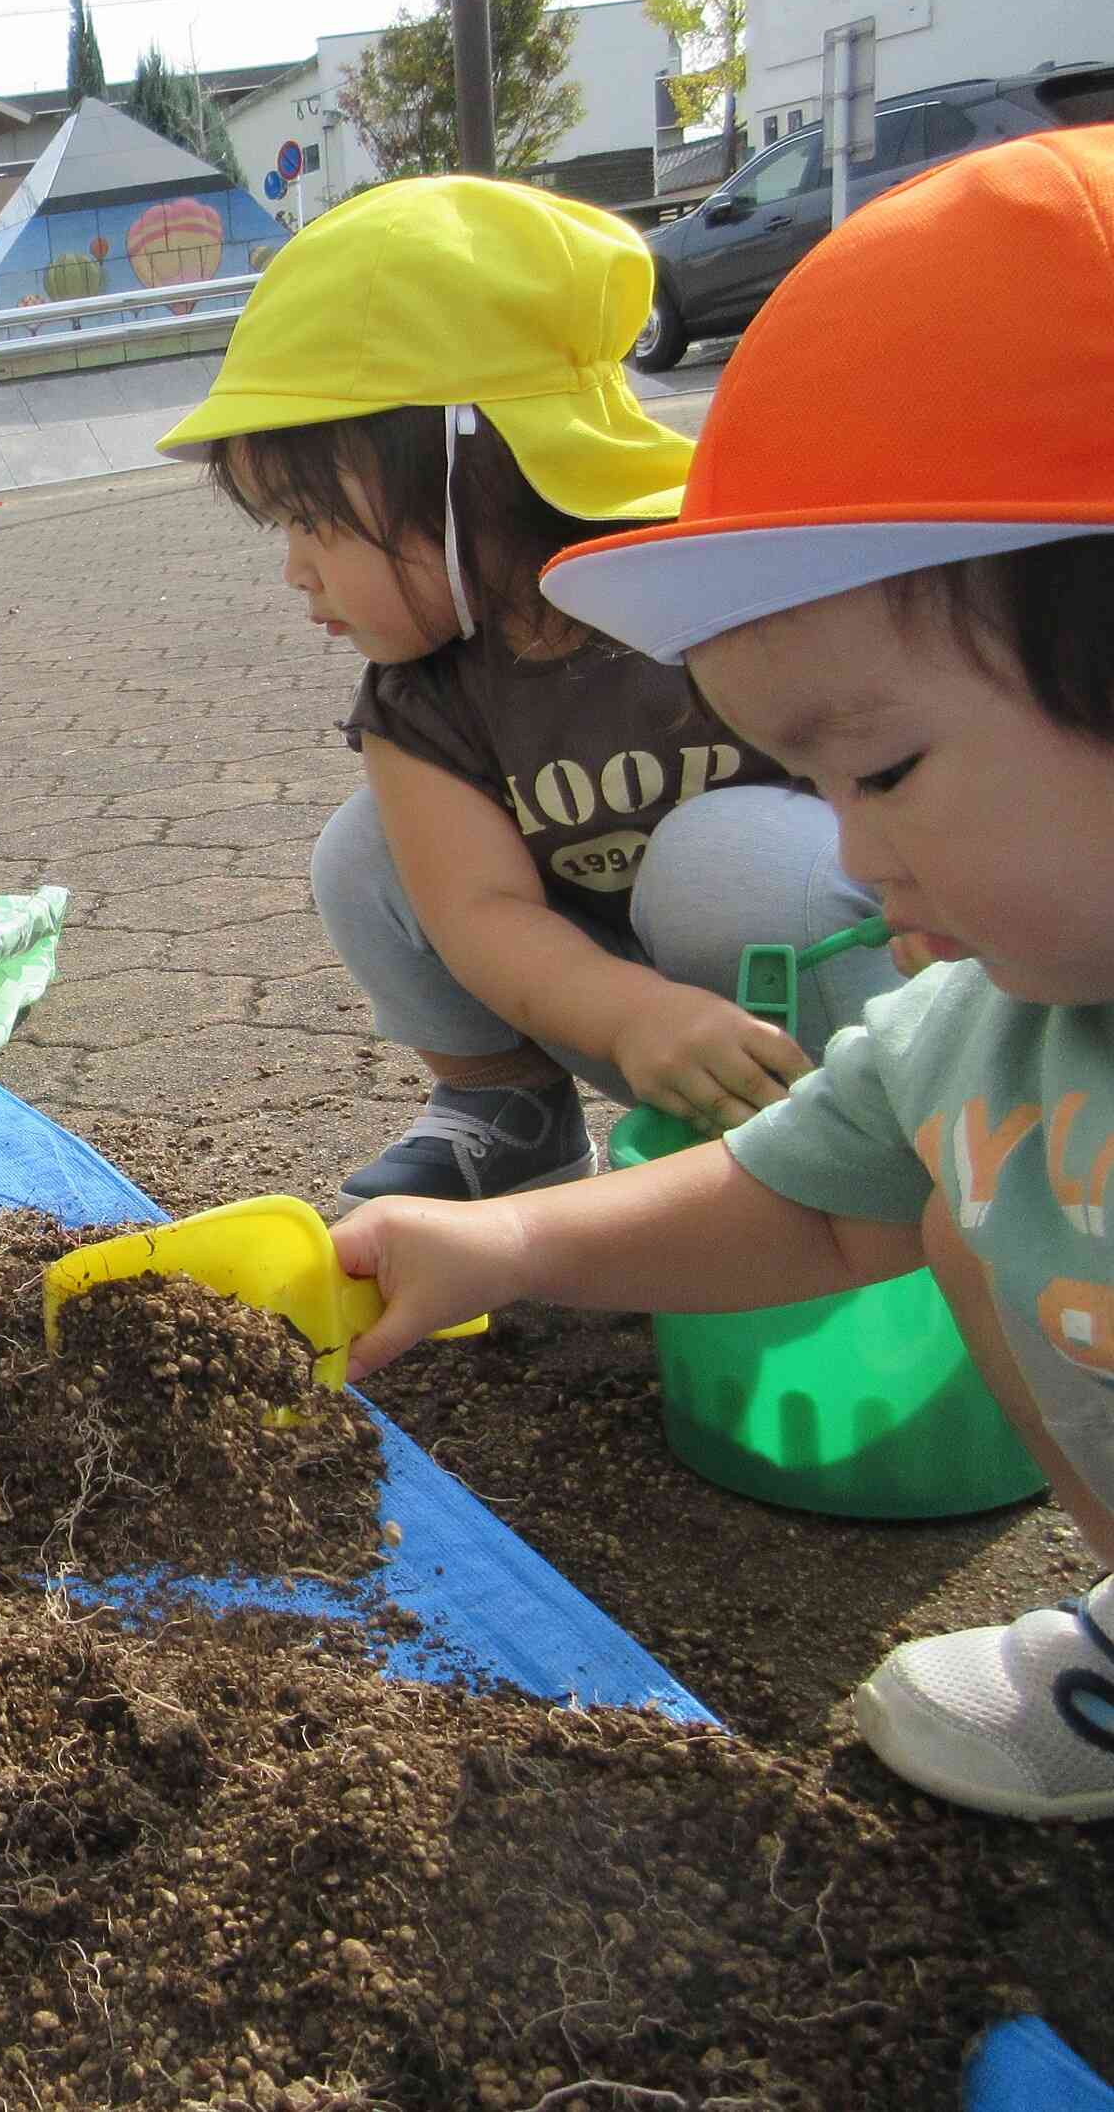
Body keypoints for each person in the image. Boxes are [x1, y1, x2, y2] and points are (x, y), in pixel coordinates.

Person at [336, 129, 1114, 1823]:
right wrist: (506, 1242)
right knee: (943, 1187)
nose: (850, 850)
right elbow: (805, 1208)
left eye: (883, 774)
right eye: (809, 781)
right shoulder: (971, 1034)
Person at [155, 178, 900, 1205]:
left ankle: (908, 1118)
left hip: (859, 979)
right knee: (368, 854)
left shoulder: (710, 588)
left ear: (468, 465)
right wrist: (637, 1019)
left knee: (721, 862)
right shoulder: (421, 695)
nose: (296, 570)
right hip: (649, 1030)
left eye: (312, 519)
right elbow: (480, 913)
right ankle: (507, 1113)